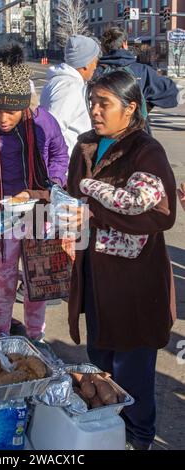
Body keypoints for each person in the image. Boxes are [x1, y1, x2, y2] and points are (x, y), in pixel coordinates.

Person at [67, 70, 176, 450]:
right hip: (95, 276)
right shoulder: (84, 146)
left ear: (130, 108)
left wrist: (94, 214)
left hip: (135, 283)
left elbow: (162, 216)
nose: (95, 111)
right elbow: (73, 200)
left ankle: (140, 438)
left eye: (104, 103)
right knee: (101, 360)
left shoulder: (145, 150)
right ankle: (107, 434)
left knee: (133, 368)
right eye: (92, 102)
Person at [0, 44, 69, 340]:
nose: (3, 119)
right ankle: (1, 339)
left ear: (25, 106)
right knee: (2, 288)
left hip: (38, 213)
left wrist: (54, 185)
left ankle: (36, 339)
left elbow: (60, 155)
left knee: (38, 285)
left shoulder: (43, 121)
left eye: (11, 112)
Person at [96, 27, 179, 116]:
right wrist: (145, 106)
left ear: (103, 48)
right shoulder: (143, 71)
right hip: (136, 126)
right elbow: (172, 93)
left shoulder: (94, 72)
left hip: (102, 126)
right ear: (125, 44)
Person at [40, 35, 100, 156]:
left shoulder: (59, 81)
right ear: (86, 63)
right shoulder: (70, 87)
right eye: (95, 60)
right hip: (67, 167)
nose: (95, 66)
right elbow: (52, 131)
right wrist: (58, 170)